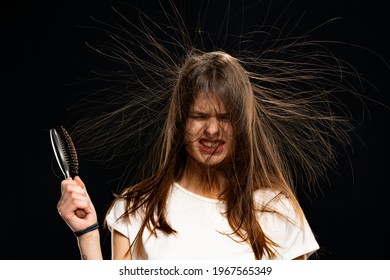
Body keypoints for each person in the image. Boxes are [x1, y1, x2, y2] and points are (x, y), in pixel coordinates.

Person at [55, 2, 370, 260]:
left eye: (225, 117)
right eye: (199, 116)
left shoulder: (278, 210)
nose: (212, 130)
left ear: (243, 124)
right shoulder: (136, 207)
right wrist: (87, 235)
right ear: (180, 122)